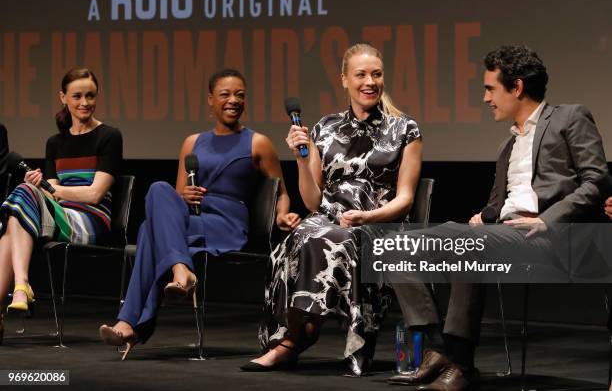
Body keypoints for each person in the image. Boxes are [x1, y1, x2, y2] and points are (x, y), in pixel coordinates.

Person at [387, 45, 609, 390]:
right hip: (502, 235)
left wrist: (548, 219)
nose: (486, 98)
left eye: (490, 88)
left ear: (516, 87)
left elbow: (597, 181)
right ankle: (437, 347)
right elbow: (498, 206)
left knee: (469, 242)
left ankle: (461, 361)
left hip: (550, 237)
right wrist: (484, 215)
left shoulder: (569, 118)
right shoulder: (507, 147)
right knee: (395, 245)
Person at [242, 43, 422, 375]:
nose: (370, 82)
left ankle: (295, 340)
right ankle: (295, 336)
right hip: (328, 218)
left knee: (327, 238)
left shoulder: (404, 129)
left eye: (377, 74)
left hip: (377, 224)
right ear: (344, 80)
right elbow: (312, 200)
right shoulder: (326, 128)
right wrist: (301, 156)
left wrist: (367, 216)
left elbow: (405, 199)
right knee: (301, 236)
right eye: (361, 74)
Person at [99, 68, 300, 359]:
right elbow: (177, 196)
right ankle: (182, 272)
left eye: (240, 95)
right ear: (210, 100)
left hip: (226, 223)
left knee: (148, 233)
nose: (233, 100)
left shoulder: (258, 142)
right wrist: (184, 195)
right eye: (225, 94)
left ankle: (130, 322)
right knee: (158, 189)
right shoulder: (192, 142)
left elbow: (281, 192)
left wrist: (282, 215)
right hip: (193, 218)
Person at [0, 68, 123, 345]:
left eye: (90, 96)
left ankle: (19, 290)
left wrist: (48, 187)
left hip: (92, 221)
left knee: (18, 208)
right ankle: (20, 285)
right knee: (21, 201)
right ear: (63, 98)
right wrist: (40, 185)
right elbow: (53, 196)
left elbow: (94, 194)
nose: (84, 103)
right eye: (77, 96)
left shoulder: (109, 136)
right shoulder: (55, 143)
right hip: (60, 216)